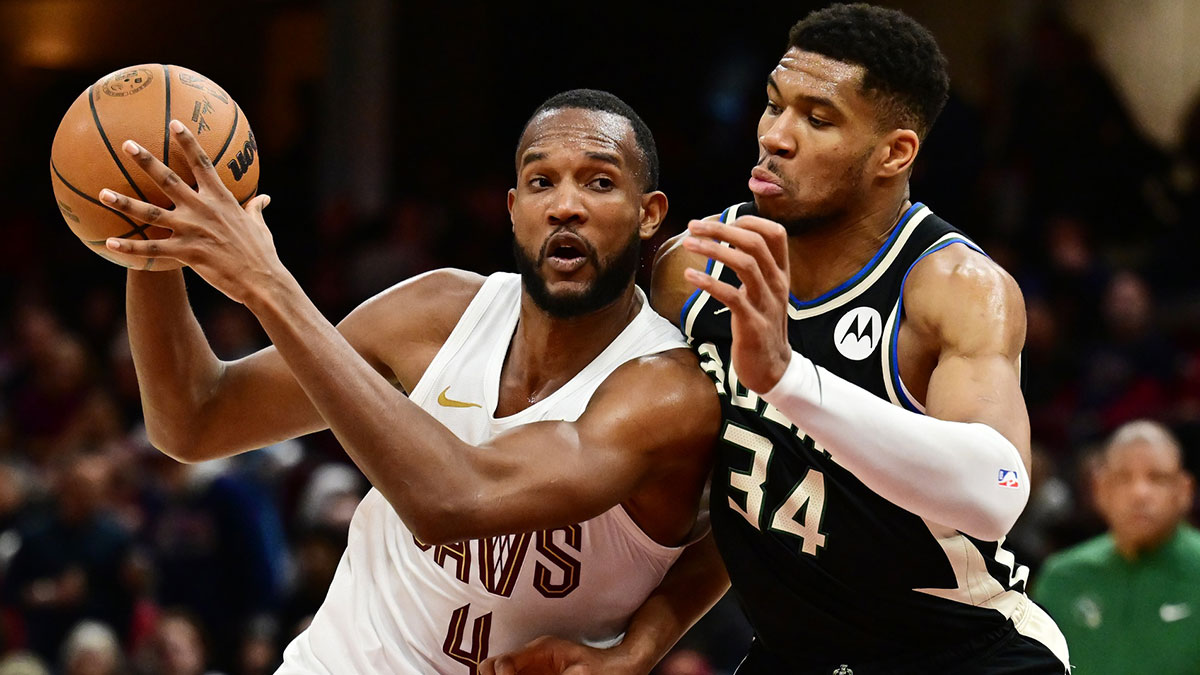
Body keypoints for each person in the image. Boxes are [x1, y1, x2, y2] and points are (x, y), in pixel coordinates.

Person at [486, 5, 1070, 674]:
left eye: (817, 119)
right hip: (791, 655)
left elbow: (997, 492)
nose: (775, 136)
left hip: (963, 652)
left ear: (895, 152)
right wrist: (638, 646)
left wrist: (789, 380)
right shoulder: (695, 265)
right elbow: (719, 505)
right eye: (773, 105)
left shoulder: (957, 287)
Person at [98, 88, 720, 673]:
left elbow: (451, 502)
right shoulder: (436, 311)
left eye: (600, 182)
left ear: (649, 215)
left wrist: (268, 284)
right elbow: (194, 420)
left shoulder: (666, 388)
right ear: (513, 210)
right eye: (540, 182)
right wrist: (151, 239)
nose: (565, 204)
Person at [1035, 420, 1200, 675]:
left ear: (1184, 491)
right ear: (1100, 489)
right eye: (1123, 478)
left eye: (1157, 478)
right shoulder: (1061, 578)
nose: (1139, 493)